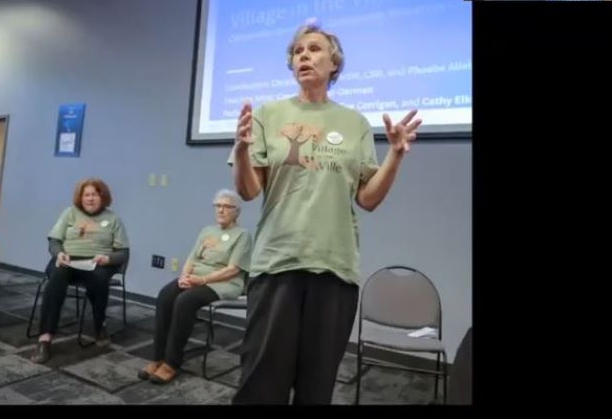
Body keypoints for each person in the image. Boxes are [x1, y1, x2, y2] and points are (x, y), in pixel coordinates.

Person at [228, 21, 421, 404]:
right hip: (277, 262)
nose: (304, 56)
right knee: (261, 384)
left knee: (316, 389)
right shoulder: (270, 113)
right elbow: (249, 190)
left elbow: (367, 198)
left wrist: (395, 156)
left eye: (314, 49)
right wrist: (241, 152)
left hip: (335, 267)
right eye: (298, 51)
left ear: (335, 64)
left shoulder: (354, 123)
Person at [138, 189, 253, 385]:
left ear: (237, 212)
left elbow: (233, 270)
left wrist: (201, 280)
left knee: (185, 301)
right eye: (218, 205)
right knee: (166, 295)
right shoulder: (207, 231)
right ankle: (158, 357)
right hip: (196, 278)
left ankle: (172, 363)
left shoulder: (242, 235)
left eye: (227, 206)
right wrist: (185, 276)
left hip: (224, 283)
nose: (221, 210)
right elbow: (192, 258)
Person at [31, 178, 129, 363]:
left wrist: (108, 259)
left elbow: (123, 252)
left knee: (99, 277)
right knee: (57, 276)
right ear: (80, 197)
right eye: (86, 195)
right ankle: (45, 337)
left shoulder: (113, 219)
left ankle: (100, 325)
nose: (90, 199)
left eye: (94, 194)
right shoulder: (70, 213)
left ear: (102, 196)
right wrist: (59, 254)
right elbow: (54, 241)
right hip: (67, 260)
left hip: (97, 262)